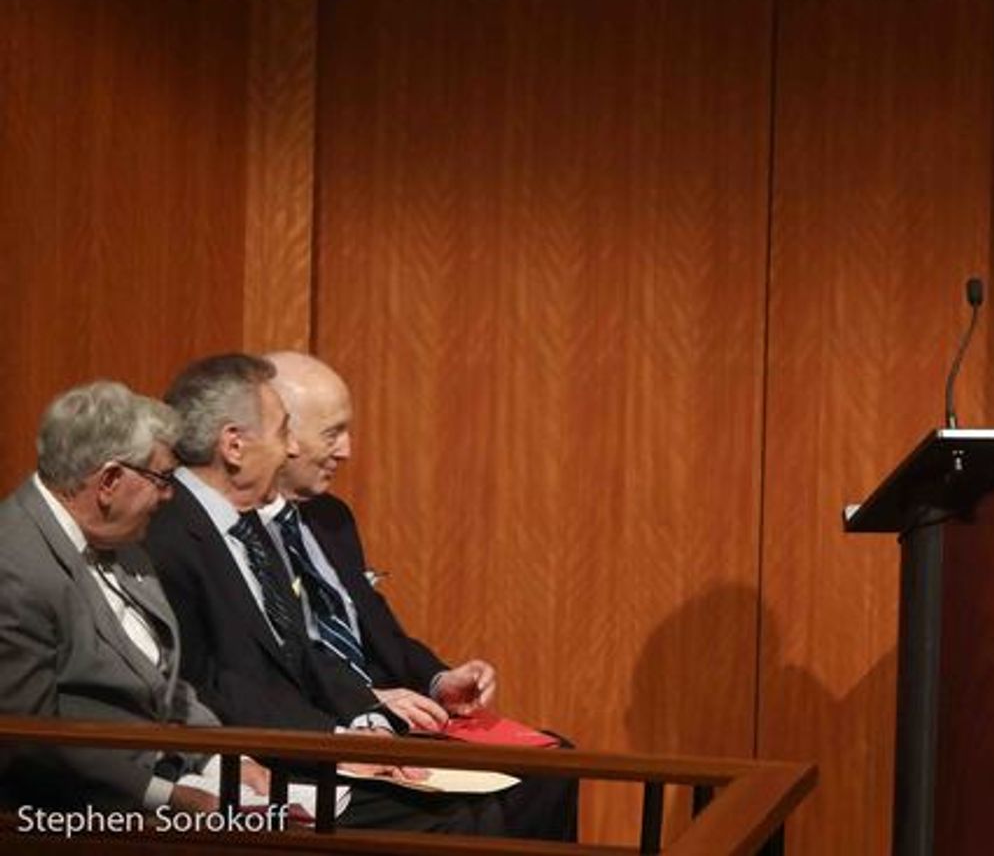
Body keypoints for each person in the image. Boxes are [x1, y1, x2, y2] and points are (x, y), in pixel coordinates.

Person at [143, 353, 503, 834]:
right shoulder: (167, 534)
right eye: (281, 432)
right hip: (240, 762)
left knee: (491, 800)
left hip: (306, 739)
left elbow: (303, 654)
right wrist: (337, 741)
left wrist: (366, 728)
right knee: (456, 821)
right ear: (233, 445)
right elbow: (208, 685)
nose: (291, 449)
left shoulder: (245, 527)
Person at [260, 350, 577, 841]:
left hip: (398, 715)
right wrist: (366, 702)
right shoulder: (241, 538)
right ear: (282, 436)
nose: (347, 450)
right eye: (332, 433)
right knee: (470, 818)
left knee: (553, 766)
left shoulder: (331, 519)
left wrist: (439, 680)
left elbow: (382, 633)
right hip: (323, 727)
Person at [0, 381, 266, 812]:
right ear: (108, 481)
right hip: (76, 814)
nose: (169, 495)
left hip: (182, 781)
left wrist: (225, 759)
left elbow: (165, 684)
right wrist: (165, 798)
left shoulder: (125, 543)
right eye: (162, 479)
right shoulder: (13, 566)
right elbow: (28, 742)